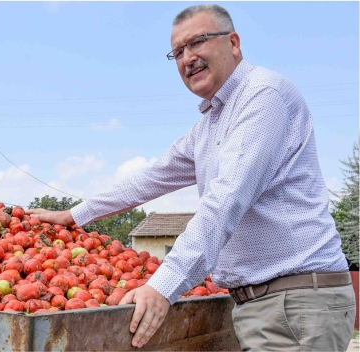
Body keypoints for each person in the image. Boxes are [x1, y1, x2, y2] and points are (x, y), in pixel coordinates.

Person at [26, 4, 356, 351]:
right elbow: (152, 177)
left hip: (295, 303)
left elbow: (225, 200)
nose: (188, 58)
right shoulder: (210, 125)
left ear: (233, 42)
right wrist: (75, 215)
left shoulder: (263, 97)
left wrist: (163, 285)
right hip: (264, 304)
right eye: (178, 52)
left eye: (197, 42)